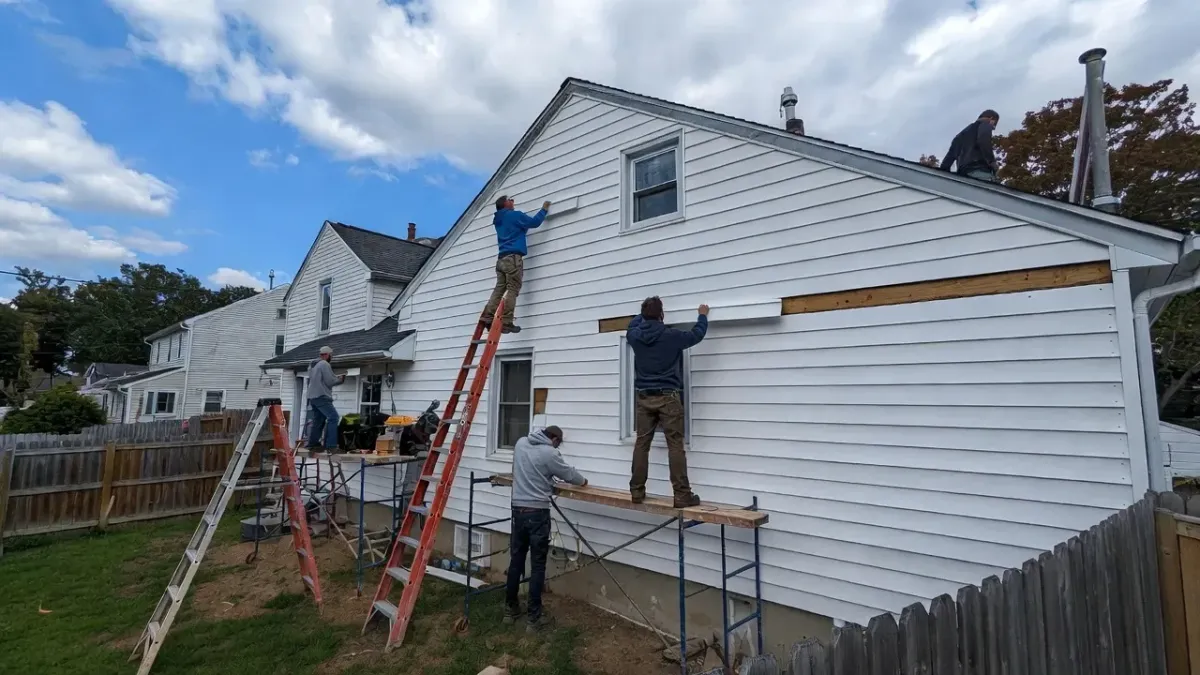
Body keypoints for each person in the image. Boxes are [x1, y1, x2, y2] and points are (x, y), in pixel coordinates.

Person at [626, 297, 708, 508]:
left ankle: (636, 492)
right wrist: (702, 316)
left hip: (644, 398)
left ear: (643, 316)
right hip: (668, 398)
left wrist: (643, 316)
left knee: (642, 444)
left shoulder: (635, 336)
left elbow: (633, 323)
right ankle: (682, 495)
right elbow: (696, 335)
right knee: (675, 445)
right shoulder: (671, 336)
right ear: (662, 315)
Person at [504, 425, 586, 633]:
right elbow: (569, 475)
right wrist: (583, 481)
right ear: (554, 438)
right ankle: (534, 619)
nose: (558, 445)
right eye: (559, 442)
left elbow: (530, 468)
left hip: (518, 510)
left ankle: (510, 610)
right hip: (537, 513)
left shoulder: (521, 444)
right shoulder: (549, 453)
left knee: (517, 560)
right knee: (538, 565)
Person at [481, 195, 551, 334]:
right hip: (513, 258)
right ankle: (507, 322)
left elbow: (517, 229)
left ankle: (487, 316)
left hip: (501, 259)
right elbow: (534, 222)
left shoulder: (498, 220)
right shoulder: (514, 215)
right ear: (504, 203)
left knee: (500, 288)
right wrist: (544, 209)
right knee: (513, 288)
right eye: (510, 199)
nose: (513, 201)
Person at [939, 110, 1001, 182]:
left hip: (963, 174)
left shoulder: (960, 136)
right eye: (994, 125)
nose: (993, 128)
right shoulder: (985, 124)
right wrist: (991, 161)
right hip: (980, 170)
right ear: (991, 118)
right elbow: (983, 140)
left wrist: (943, 177)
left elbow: (949, 159)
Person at [305, 345, 345, 453]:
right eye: (331, 355)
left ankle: (312, 444)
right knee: (333, 417)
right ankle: (331, 446)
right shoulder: (324, 364)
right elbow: (329, 381)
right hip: (322, 396)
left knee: (319, 420)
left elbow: (319, 380)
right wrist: (341, 379)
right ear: (327, 355)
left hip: (313, 397)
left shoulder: (312, 365)